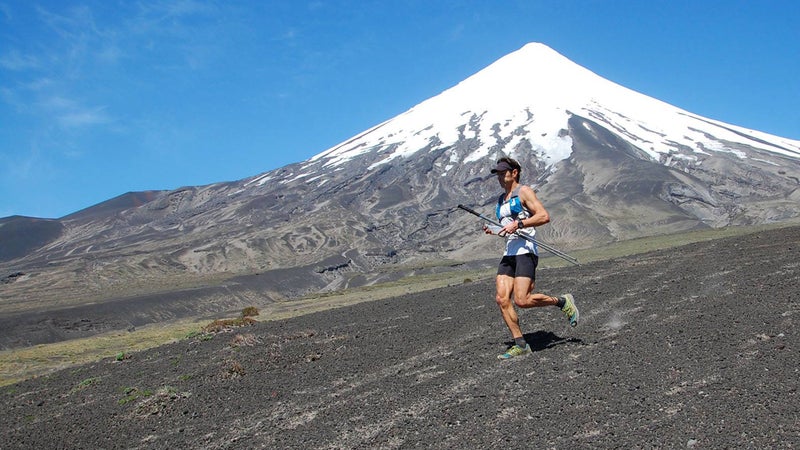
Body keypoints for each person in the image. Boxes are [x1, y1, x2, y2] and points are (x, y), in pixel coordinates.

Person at [482, 157, 579, 360]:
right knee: (501, 298)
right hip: (509, 253)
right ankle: (521, 344)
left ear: (514, 172)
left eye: (503, 172)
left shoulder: (524, 192)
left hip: (526, 252)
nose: (499, 176)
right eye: (497, 173)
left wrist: (519, 225)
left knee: (522, 300)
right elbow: (507, 227)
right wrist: (494, 230)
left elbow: (543, 216)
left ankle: (561, 302)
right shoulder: (501, 200)